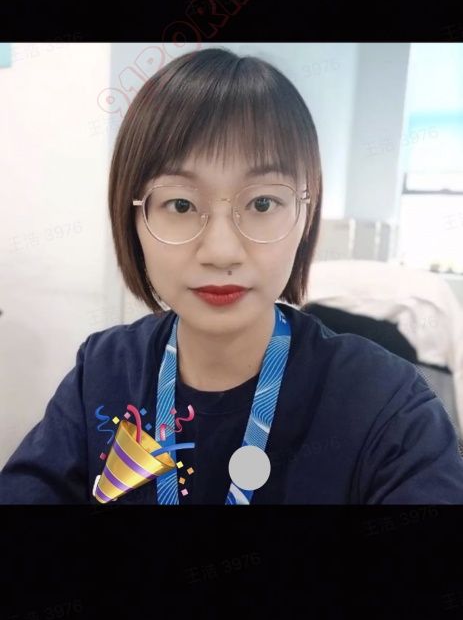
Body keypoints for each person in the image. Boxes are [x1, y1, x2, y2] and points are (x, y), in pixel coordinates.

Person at [2, 46, 463, 504]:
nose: (221, 250)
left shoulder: (385, 402)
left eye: (262, 203)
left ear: (305, 216)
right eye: (180, 204)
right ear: (132, 218)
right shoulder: (102, 371)